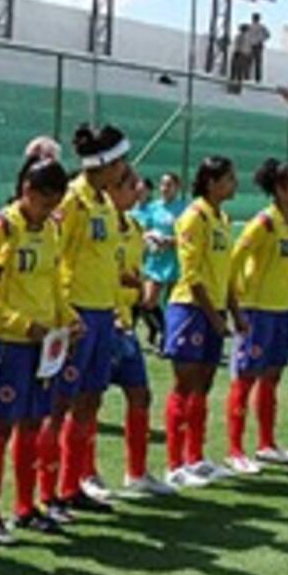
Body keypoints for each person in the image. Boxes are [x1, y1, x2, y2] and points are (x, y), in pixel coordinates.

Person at [0, 155, 73, 545]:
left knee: (33, 425)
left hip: (44, 345)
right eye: (46, 202)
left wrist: (68, 318)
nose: (50, 210)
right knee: (0, 428)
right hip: (8, 344)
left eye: (55, 204)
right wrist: (21, 324)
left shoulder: (50, 229)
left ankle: (25, 508)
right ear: (27, 191)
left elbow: (53, 283)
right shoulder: (0, 228)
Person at [44, 124, 131, 514]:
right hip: (75, 315)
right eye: (121, 161)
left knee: (91, 401)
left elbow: (107, 264)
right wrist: (64, 315)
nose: (124, 169)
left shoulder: (106, 203)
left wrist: (116, 310)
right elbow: (53, 259)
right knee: (60, 403)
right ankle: (47, 493)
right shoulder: (72, 201)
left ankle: (72, 484)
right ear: (106, 163)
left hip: (102, 315)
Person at [163, 155, 242, 488]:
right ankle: (174, 463)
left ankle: (195, 456)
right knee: (185, 384)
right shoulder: (194, 217)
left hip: (214, 310)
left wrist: (234, 312)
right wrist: (214, 316)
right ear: (211, 182)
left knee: (204, 385)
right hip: (191, 310)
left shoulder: (222, 218)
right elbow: (192, 275)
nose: (234, 184)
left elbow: (226, 273)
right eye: (228, 179)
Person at [225, 158, 288, 472]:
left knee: (272, 377)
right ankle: (235, 449)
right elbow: (235, 258)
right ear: (280, 190)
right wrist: (239, 295)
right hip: (257, 311)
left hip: (282, 311)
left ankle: (266, 444)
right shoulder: (263, 223)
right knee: (246, 378)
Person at [107, 165, 176, 496]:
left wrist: (138, 287)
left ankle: (136, 472)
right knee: (85, 402)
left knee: (140, 393)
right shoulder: (98, 225)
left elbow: (131, 272)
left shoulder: (135, 227)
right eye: (130, 185)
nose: (137, 191)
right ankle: (83, 476)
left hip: (124, 323)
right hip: (99, 320)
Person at [139, 172, 186, 349]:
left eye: (169, 185)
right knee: (147, 301)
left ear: (177, 187)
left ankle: (169, 340)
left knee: (173, 303)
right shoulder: (153, 208)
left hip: (174, 260)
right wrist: (150, 238)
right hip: (156, 261)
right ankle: (162, 330)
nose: (165, 188)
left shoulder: (183, 209)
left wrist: (169, 241)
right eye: (162, 184)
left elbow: (187, 237)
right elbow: (144, 230)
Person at [229, 23, 252, 93]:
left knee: (234, 72)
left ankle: (231, 87)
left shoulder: (239, 36)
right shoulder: (248, 38)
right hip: (243, 55)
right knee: (239, 73)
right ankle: (237, 88)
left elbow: (236, 46)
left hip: (238, 54)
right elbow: (248, 49)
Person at [248, 13, 271, 83]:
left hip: (253, 45)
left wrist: (260, 39)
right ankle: (257, 78)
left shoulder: (251, 27)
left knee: (251, 62)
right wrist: (261, 39)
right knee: (256, 62)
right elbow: (268, 35)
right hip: (256, 45)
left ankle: (249, 77)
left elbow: (268, 35)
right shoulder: (261, 27)